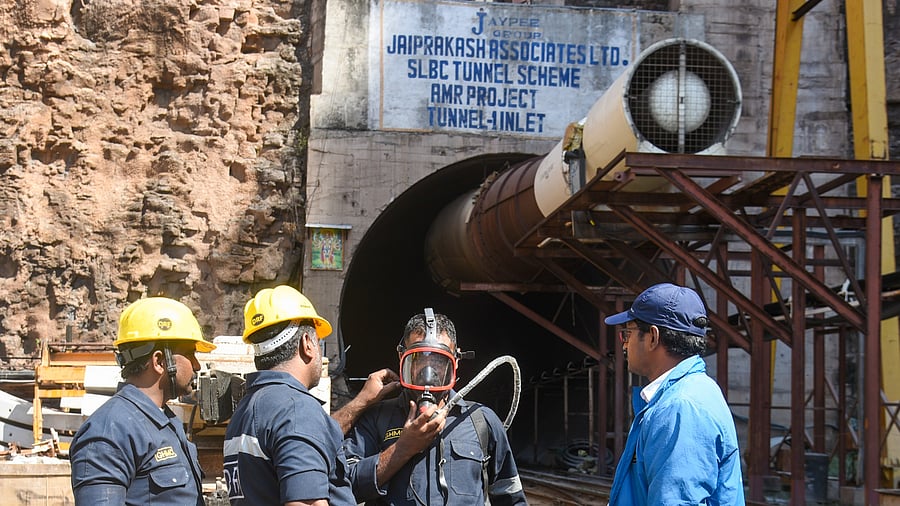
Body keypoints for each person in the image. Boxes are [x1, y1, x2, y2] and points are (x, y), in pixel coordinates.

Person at [223, 285, 399, 505]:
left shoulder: (248, 409)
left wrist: (361, 402)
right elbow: (307, 502)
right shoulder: (296, 410)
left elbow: (311, 438)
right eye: (318, 342)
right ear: (307, 344)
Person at [343, 309, 527, 505]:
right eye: (419, 360)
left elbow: (511, 497)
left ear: (455, 362)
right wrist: (402, 448)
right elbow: (345, 486)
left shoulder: (482, 422)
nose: (428, 372)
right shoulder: (376, 418)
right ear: (402, 358)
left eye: (438, 361)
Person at [604, 283, 744, 505]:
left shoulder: (680, 408)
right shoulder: (698, 389)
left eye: (627, 334)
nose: (624, 344)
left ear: (653, 337)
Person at [70, 297, 216, 505]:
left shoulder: (164, 423)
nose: (197, 365)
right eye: (190, 354)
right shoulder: (109, 432)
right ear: (159, 361)